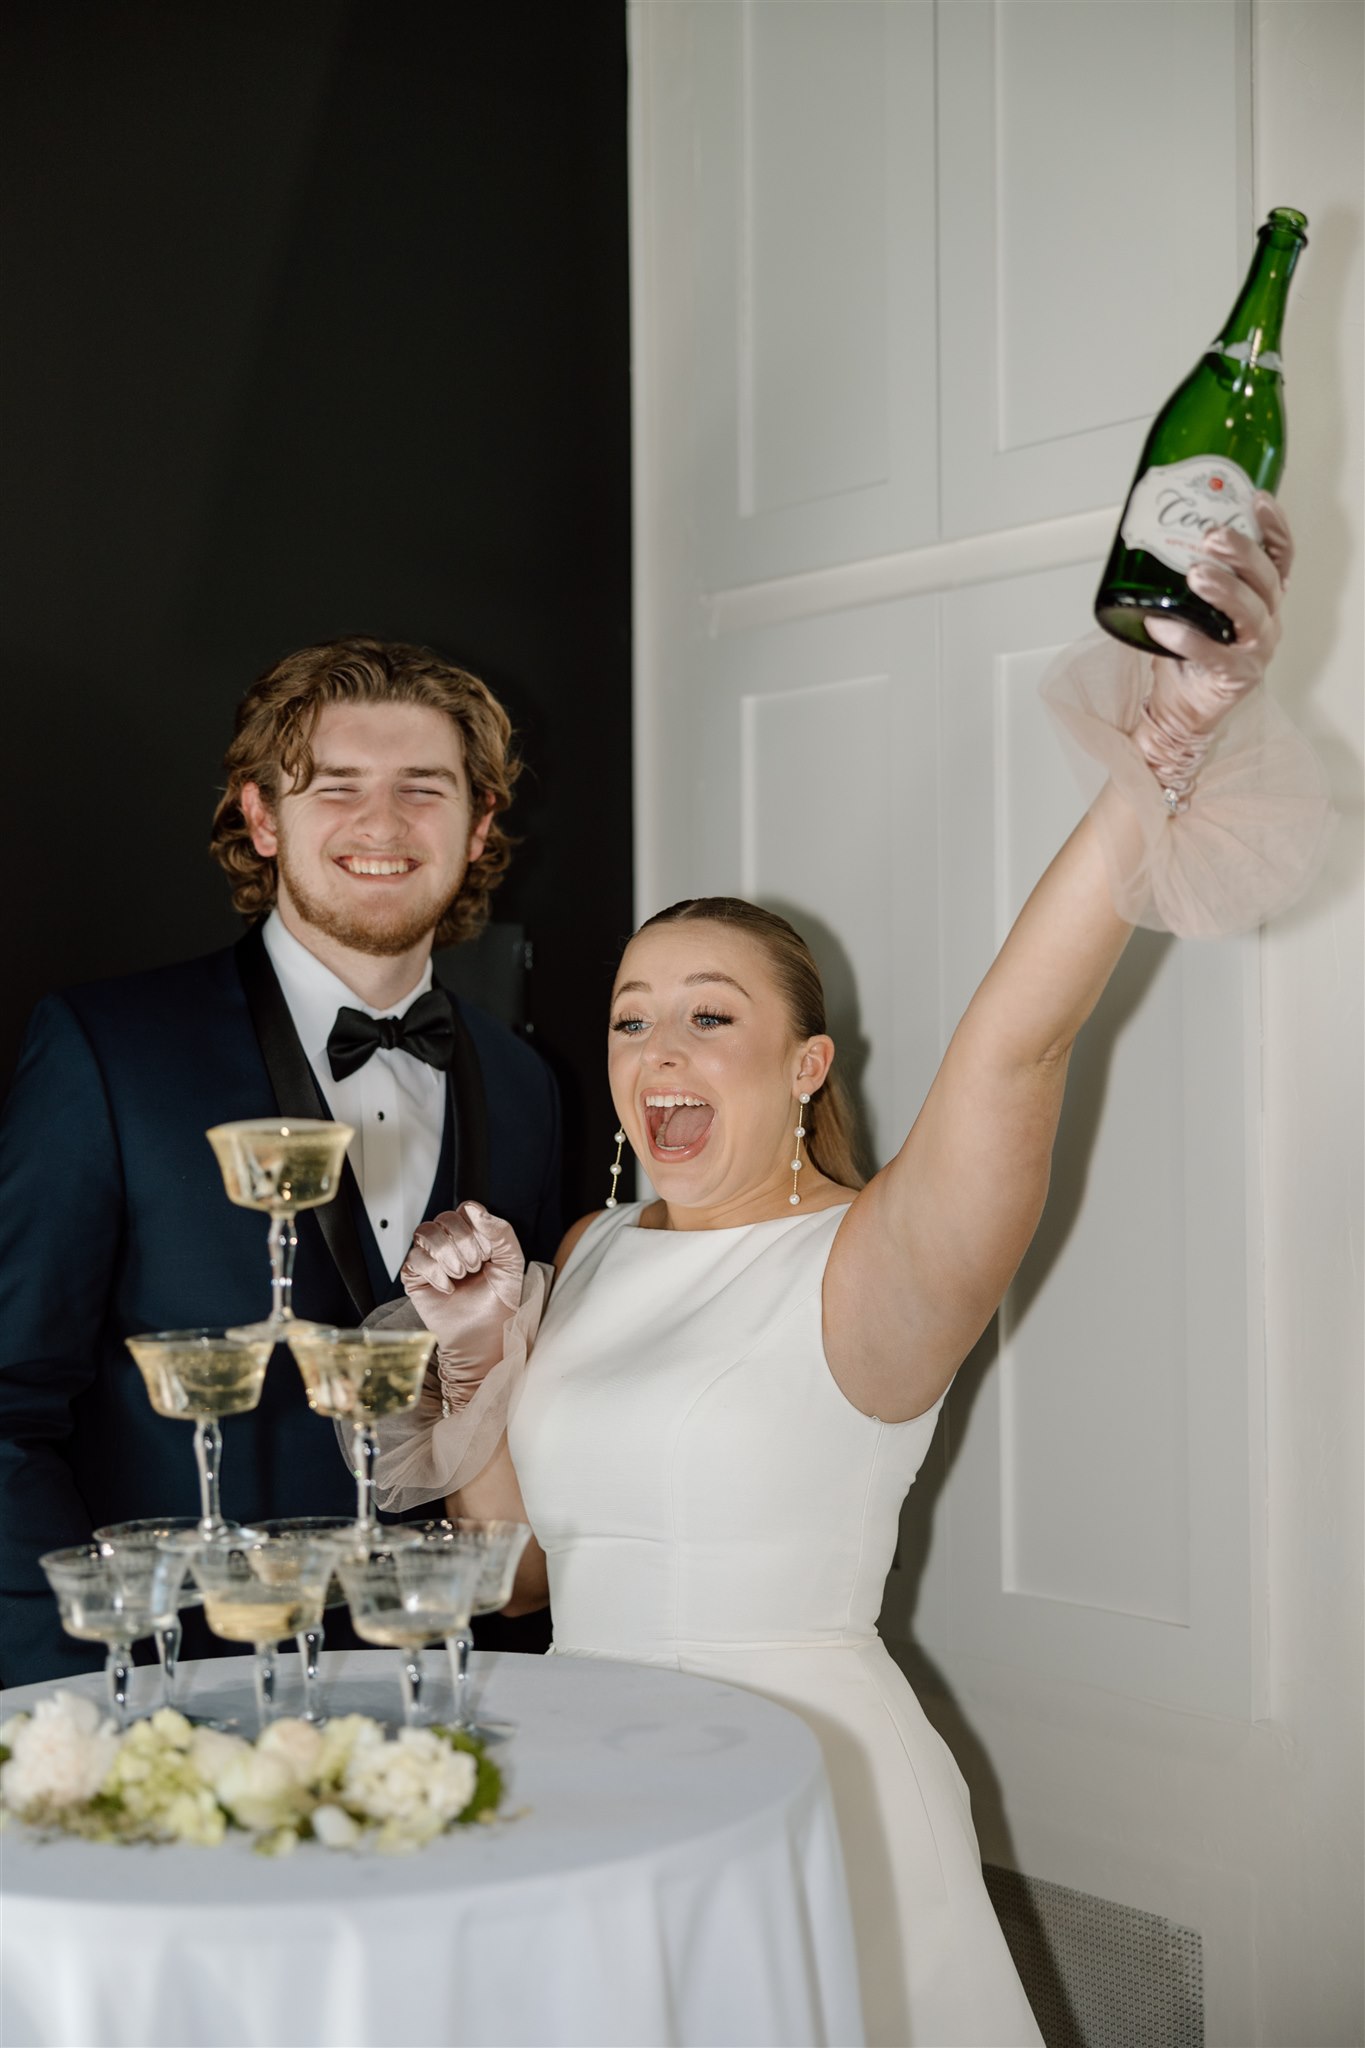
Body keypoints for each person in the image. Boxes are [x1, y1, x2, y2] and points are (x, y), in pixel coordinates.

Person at [369, 505, 1331, 2045]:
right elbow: (530, 1569)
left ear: (806, 1063)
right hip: (582, 1766)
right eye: (627, 1018)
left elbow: (1016, 1040)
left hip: (802, 1786)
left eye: (707, 1017)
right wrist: (483, 1360)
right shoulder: (593, 1248)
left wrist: (1160, 741)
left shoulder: (876, 1261)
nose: (656, 1051)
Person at [0, 636, 561, 1689]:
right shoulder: (106, 1052)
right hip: (170, 1691)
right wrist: (61, 1685)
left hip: (443, 1694)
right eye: (335, 786)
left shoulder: (525, 1085)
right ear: (262, 817)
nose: (383, 824)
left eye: (423, 789)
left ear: (482, 823)